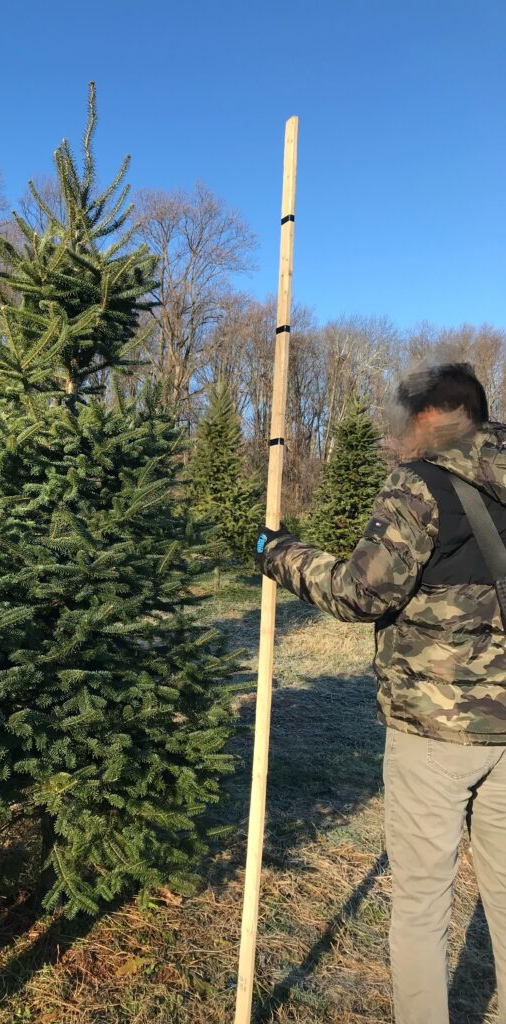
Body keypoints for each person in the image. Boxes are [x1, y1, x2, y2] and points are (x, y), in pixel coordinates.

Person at [255, 362, 506, 1024]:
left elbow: (361, 592)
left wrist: (278, 553)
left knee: (423, 901)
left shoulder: (421, 486)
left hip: (436, 730)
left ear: (432, 418)